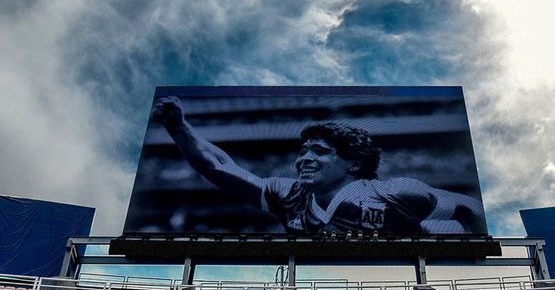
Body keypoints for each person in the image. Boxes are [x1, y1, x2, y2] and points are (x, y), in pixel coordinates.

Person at [153, 96, 486, 235]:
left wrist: (471, 256)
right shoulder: (288, 194)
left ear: (353, 164)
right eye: (303, 150)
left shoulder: (397, 193)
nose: (304, 158)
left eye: (319, 152)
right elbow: (219, 168)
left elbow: (469, 207)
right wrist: (178, 127)